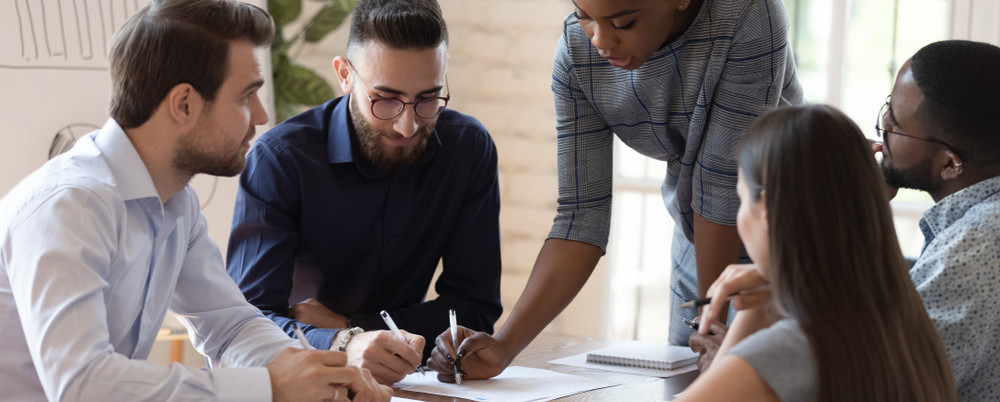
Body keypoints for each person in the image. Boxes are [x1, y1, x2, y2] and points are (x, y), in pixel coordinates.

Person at [0, 1, 390, 400]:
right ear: (184, 104)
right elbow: (81, 385)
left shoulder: (175, 202)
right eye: (245, 97)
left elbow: (230, 325)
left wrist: (320, 374)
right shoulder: (71, 206)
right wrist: (268, 386)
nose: (260, 116)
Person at [429, 0, 802, 381]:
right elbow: (580, 216)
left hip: (793, 239)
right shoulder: (578, 52)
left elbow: (721, 191)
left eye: (623, 22)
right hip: (698, 237)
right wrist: (504, 346)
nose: (600, 41)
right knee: (693, 377)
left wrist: (710, 333)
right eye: (584, 17)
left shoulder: (747, 13)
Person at [226, 0, 502, 385]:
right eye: (385, 99)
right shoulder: (282, 160)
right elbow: (245, 323)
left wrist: (351, 328)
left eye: (427, 100)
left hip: (407, 386)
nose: (407, 126)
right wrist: (342, 342)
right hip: (302, 384)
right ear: (344, 75)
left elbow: (475, 306)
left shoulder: (468, 148)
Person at [677, 105, 956, 401]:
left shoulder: (788, 350)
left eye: (742, 199)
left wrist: (728, 354)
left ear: (769, 211)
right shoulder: (911, 330)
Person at [872, 39, 1000, 400]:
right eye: (887, 108)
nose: (883, 126)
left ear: (949, 164)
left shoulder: (974, 247)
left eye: (895, 123)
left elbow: (876, 386)